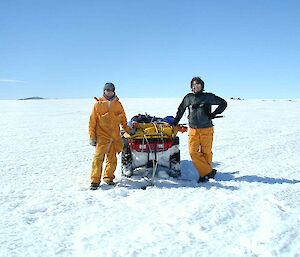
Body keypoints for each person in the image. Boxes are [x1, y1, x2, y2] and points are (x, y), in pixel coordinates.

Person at [172, 76, 227, 183]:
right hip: (193, 130)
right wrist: (175, 122)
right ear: (191, 87)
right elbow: (181, 110)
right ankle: (209, 172)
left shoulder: (208, 96)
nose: (195, 87)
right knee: (193, 152)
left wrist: (214, 114)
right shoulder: (188, 98)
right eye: (193, 85)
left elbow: (223, 103)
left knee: (206, 152)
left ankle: (204, 175)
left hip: (207, 129)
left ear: (202, 86)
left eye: (198, 85)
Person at [88, 82, 133, 190]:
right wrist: (92, 137)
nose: (109, 92)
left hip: (115, 137)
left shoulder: (118, 104)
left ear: (114, 91)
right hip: (102, 137)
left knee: (112, 159)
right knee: (98, 158)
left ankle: (108, 178)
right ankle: (95, 181)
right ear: (104, 91)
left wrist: (128, 130)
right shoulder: (98, 105)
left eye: (111, 90)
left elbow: (123, 119)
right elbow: (92, 122)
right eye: (107, 90)